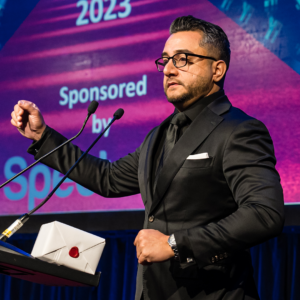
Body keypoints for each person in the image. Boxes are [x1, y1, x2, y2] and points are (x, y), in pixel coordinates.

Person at [11, 16, 284, 300]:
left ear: (217, 69)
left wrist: (177, 244)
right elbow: (109, 179)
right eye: (165, 60)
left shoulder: (239, 130)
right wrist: (42, 136)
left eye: (182, 59)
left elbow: (264, 214)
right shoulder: (159, 134)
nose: (168, 69)